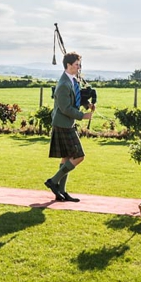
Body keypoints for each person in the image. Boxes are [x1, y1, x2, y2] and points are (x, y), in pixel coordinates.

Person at [44, 51, 94, 202]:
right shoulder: (63, 85)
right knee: (79, 156)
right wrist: (83, 116)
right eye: (77, 65)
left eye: (79, 65)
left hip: (66, 124)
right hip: (63, 125)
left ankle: (62, 192)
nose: (79, 67)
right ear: (68, 65)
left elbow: (75, 99)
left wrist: (87, 104)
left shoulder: (72, 80)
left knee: (66, 158)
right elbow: (66, 108)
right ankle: (53, 181)